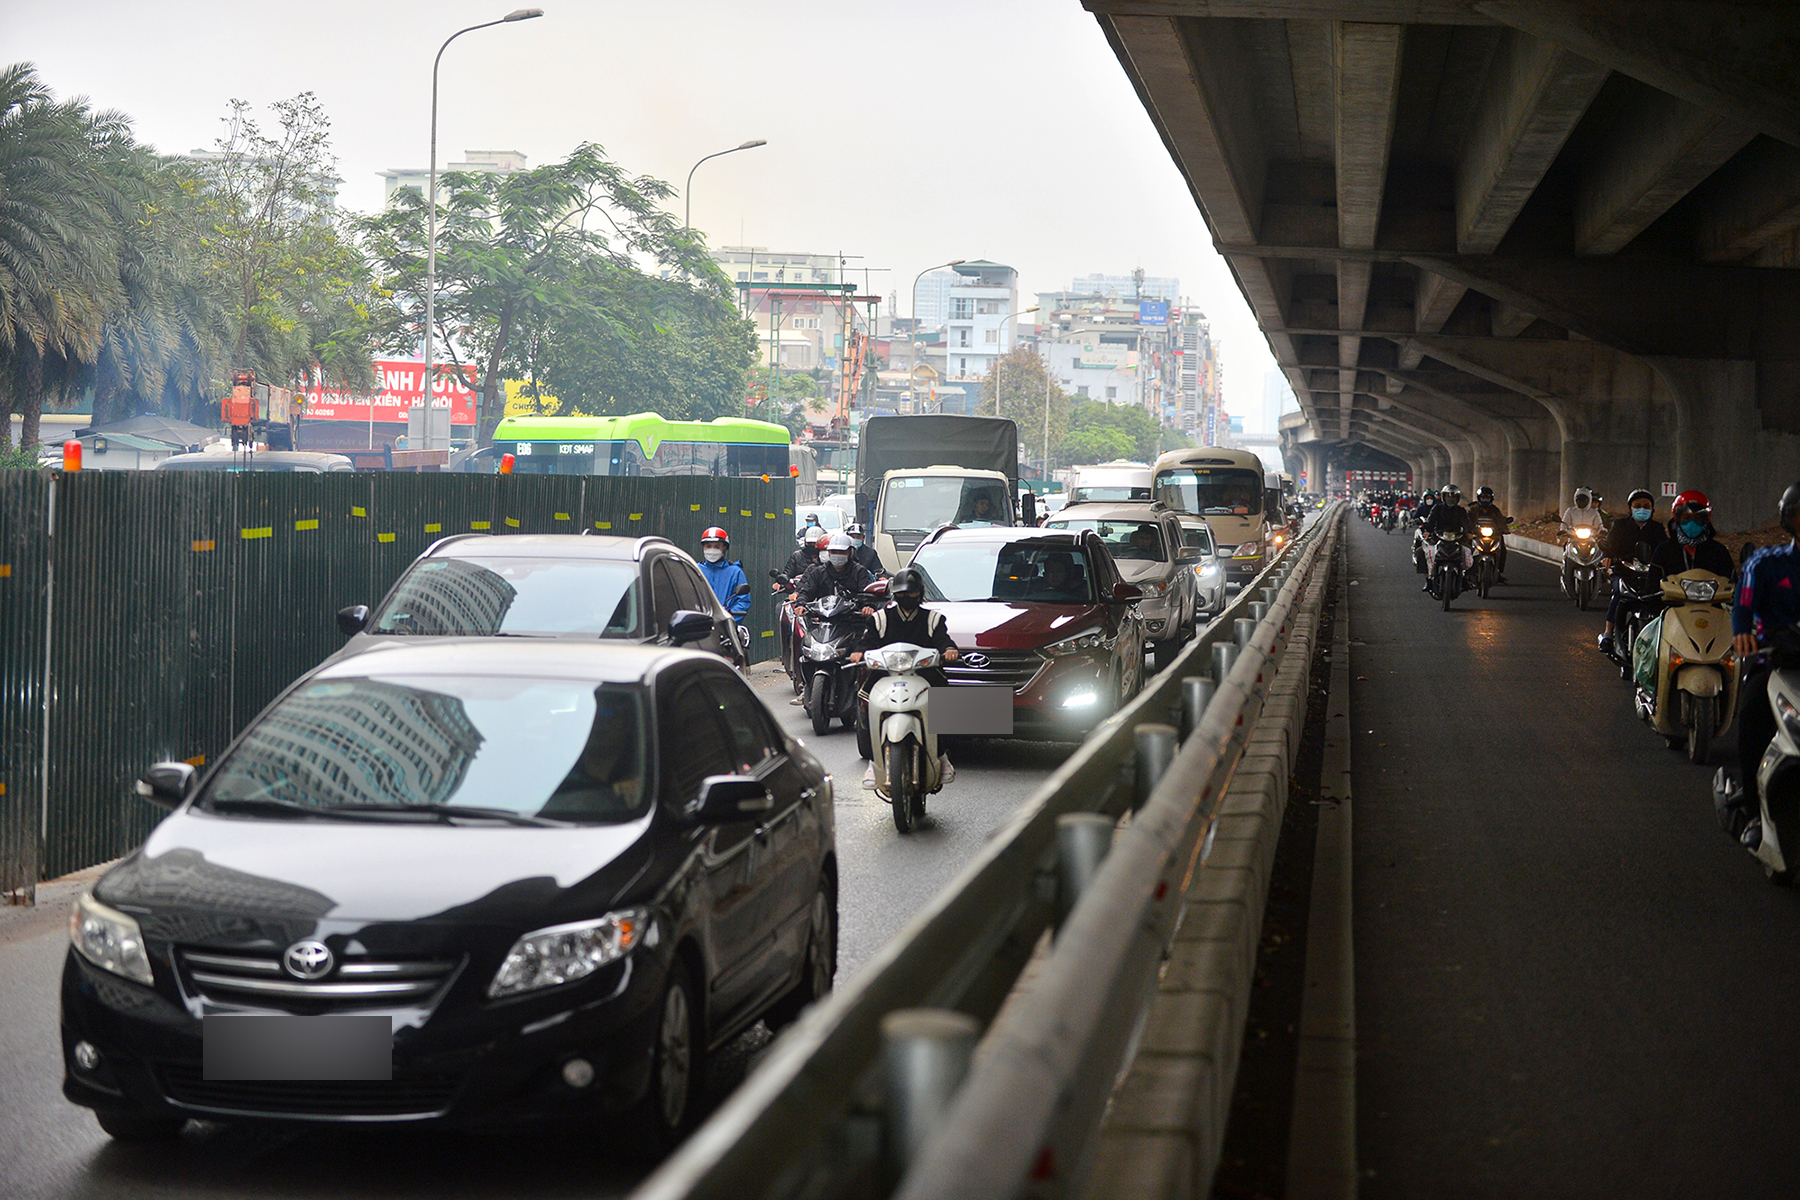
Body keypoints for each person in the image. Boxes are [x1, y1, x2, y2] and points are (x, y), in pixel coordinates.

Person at [1725, 484, 1800, 844]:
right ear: (1790, 519)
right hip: (1774, 661)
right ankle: (1754, 813)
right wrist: (1742, 632)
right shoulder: (1767, 562)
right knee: (1753, 714)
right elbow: (1745, 600)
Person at [851, 566, 961, 787]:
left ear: (919, 593)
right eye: (902, 594)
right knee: (865, 699)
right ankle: (874, 762)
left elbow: (943, 640)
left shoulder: (933, 619)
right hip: (885, 673)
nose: (906, 598)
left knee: (946, 703)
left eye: (911, 594)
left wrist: (949, 650)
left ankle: (941, 756)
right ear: (894, 594)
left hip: (924, 672)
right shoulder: (880, 619)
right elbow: (867, 641)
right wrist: (859, 651)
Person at [1599, 489, 1667, 656]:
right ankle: (1608, 633)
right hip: (1624, 571)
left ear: (1652, 509)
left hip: (1650, 574)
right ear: (1630, 508)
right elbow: (1610, 545)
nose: (1642, 509)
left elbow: (1665, 550)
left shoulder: (1657, 529)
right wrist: (1607, 557)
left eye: (1646, 506)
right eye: (1638, 506)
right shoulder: (1621, 526)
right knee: (1618, 594)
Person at [1650, 491, 1734, 580]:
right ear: (1677, 519)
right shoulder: (1664, 551)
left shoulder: (1718, 552)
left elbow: (1730, 584)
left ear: (1705, 520)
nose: (1692, 523)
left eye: (1697, 518)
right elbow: (1652, 586)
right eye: (1686, 518)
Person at [796, 533, 877, 605]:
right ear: (829, 552)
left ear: (850, 553)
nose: (837, 555)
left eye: (842, 552)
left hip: (853, 619)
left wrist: (868, 606)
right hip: (823, 618)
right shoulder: (818, 572)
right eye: (834, 551)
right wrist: (801, 604)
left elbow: (867, 595)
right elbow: (807, 592)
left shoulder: (860, 572)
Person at [1420, 484, 1473, 592]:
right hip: (1438, 536)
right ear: (1443, 497)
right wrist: (1427, 531)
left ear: (1457, 498)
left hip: (1457, 537)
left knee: (1474, 553)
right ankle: (1428, 580)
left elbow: (1466, 523)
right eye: (1448, 496)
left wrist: (1470, 532)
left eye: (1453, 497)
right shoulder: (1437, 508)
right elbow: (1430, 521)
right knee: (1420, 552)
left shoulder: (1461, 511)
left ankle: (1466, 579)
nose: (1450, 499)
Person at [696, 526, 751, 621]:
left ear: (724, 548)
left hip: (726, 628)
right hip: (699, 626)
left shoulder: (735, 572)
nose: (712, 550)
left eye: (717, 546)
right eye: (708, 546)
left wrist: (728, 617)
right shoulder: (695, 570)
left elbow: (743, 601)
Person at [1467, 485, 1509, 582]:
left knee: (1502, 550)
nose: (1485, 500)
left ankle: (1499, 573)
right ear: (1479, 498)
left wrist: (1504, 529)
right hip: (1476, 534)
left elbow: (1500, 520)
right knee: (1467, 549)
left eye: (1487, 498)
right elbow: (1467, 520)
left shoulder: (1495, 510)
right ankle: (1467, 574)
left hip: (1493, 535)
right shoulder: (1473, 509)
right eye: (1483, 497)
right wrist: (1468, 531)